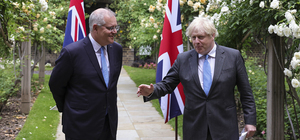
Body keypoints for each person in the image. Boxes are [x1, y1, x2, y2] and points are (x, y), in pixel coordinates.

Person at [137, 16, 256, 140]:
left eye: (201, 37)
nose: (196, 41)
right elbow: (167, 84)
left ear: (212, 35)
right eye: (193, 38)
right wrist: (152, 90)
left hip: (224, 127)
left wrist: (250, 121)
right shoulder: (183, 59)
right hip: (194, 128)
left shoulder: (232, 56)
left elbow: (246, 93)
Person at [49, 8, 123, 140]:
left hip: (108, 123)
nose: (115, 32)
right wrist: (68, 108)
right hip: (80, 125)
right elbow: (56, 85)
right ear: (95, 28)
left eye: (116, 27)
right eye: (110, 28)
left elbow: (111, 86)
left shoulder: (116, 49)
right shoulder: (72, 53)